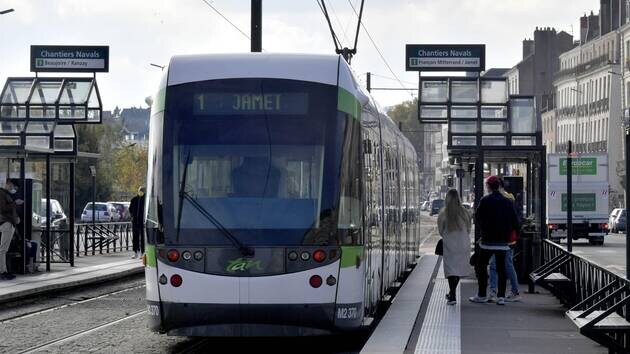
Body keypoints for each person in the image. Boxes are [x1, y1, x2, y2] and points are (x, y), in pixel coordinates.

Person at [470, 175, 520, 306]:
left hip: (487, 242)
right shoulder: (508, 202)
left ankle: (482, 294)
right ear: (499, 186)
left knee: (481, 266)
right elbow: (516, 222)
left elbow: (477, 217)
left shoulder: (485, 200)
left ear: (488, 187)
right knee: (501, 268)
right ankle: (501, 296)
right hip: (503, 242)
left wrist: (484, 230)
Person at [488, 178, 521, 302]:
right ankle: (504, 291)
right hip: (508, 238)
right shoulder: (508, 199)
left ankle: (506, 291)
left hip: (506, 239)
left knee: (500, 264)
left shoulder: (505, 199)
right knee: (502, 264)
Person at [438, 189, 472, 305]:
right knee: (457, 270)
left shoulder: (443, 213)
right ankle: (451, 293)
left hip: (450, 245)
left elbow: (440, 231)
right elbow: (469, 229)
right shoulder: (465, 212)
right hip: (463, 245)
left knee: (451, 270)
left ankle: (452, 294)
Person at [0, 179, 23, 280]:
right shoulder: (1, 193)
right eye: (14, 187)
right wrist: (15, 203)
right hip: (6, 223)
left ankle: (4, 270)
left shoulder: (5, 194)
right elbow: (3, 208)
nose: (14, 190)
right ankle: (3, 271)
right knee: (3, 250)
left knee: (3, 249)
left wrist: (16, 218)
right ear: (9, 184)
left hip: (8, 222)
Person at [129, 187, 145, 259]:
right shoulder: (134, 199)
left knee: (143, 238)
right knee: (135, 237)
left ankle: (142, 252)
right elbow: (130, 209)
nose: (141, 192)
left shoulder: (145, 200)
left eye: (142, 191)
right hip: (135, 221)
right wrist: (132, 216)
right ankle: (136, 252)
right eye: (140, 191)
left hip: (143, 222)